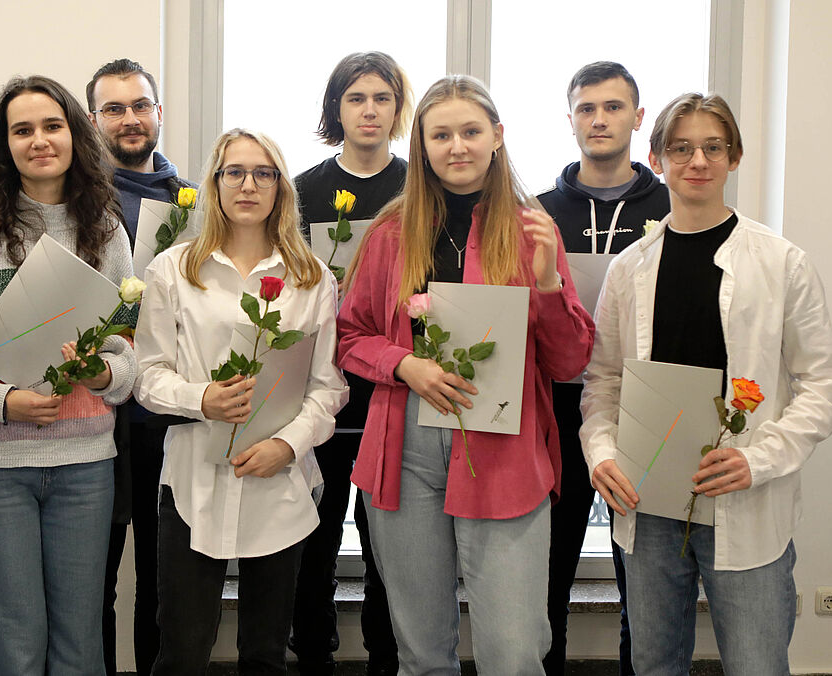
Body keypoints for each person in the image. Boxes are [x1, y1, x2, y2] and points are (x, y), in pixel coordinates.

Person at [579, 92, 832, 676]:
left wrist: (761, 459)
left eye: (712, 146)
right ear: (657, 158)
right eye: (681, 148)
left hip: (745, 495)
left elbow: (826, 383)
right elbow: (602, 384)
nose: (696, 160)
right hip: (647, 502)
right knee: (653, 663)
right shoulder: (629, 267)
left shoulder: (782, 263)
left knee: (756, 663)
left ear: (735, 157)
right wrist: (601, 454)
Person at [336, 75, 595, 675]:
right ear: (422, 145)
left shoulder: (534, 229)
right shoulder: (388, 233)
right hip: (404, 452)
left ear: (497, 137)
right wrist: (403, 363)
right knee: (422, 653)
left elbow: (569, 361)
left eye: (471, 131)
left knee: (513, 651)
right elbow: (349, 336)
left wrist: (550, 284)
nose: (458, 146)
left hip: (503, 452)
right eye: (441, 134)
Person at [0, 75, 135, 675]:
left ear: (76, 135)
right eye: (22, 130)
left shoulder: (107, 230)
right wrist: (3, 399)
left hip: (86, 467)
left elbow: (133, 357)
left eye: (52, 125)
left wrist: (99, 373)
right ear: (3, 145)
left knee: (78, 644)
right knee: (8, 646)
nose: (39, 140)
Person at [133, 128, 348, 674]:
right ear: (215, 182)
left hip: (280, 482)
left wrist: (287, 444)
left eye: (263, 173)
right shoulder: (173, 270)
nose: (248, 185)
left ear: (280, 187)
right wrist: (201, 398)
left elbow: (328, 388)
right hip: (190, 482)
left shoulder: (312, 278)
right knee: (181, 650)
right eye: (234, 172)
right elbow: (146, 376)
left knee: (266, 654)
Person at [537, 61, 669, 676]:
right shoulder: (536, 213)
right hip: (554, 406)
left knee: (642, 574)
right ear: (570, 121)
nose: (599, 119)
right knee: (548, 568)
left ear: (638, 119)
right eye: (587, 108)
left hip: (641, 405)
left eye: (613, 107)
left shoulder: (673, 207)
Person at [289, 50, 411, 676]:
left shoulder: (421, 187)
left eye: (382, 98)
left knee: (390, 546)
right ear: (336, 108)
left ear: (398, 109)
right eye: (356, 98)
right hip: (322, 395)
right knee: (315, 538)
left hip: (399, 392)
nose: (369, 110)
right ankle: (313, 652)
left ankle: (386, 657)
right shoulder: (302, 191)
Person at [86, 57, 196, 676]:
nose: (130, 119)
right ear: (93, 119)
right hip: (94, 408)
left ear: (158, 113)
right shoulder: (76, 201)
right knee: (93, 574)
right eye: (114, 108)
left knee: (163, 571)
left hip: (167, 412)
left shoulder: (196, 205)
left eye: (140, 106)